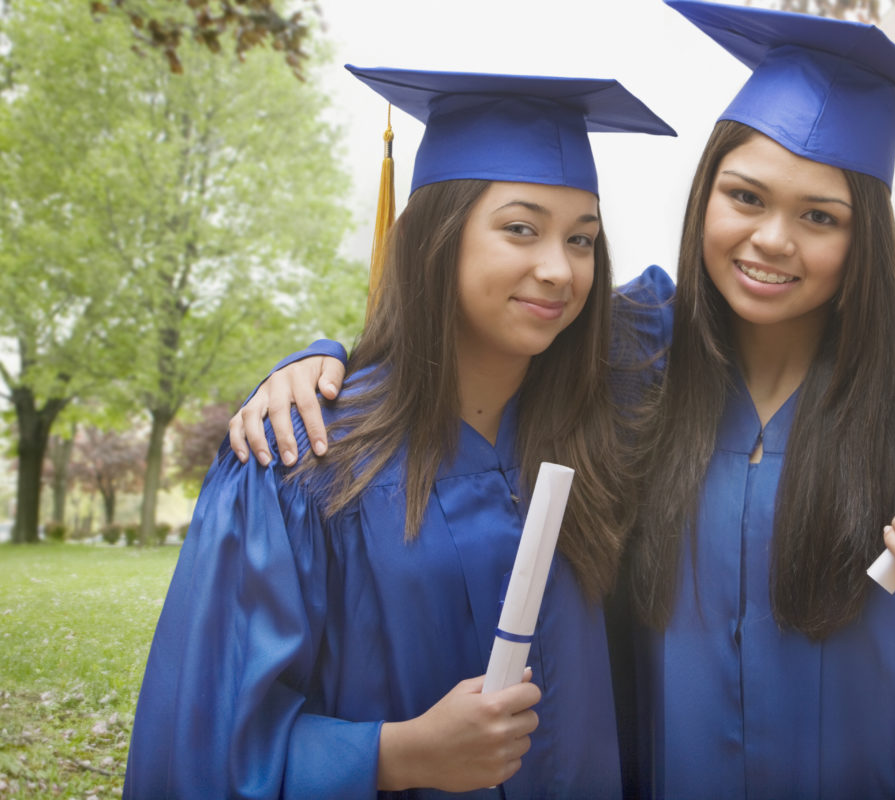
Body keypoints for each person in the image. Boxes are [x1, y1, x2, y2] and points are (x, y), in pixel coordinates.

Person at [230, 3, 895, 797]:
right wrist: (322, 360)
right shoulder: (639, 377)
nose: (772, 241)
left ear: (866, 240)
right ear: (706, 195)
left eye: (822, 217)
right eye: (745, 197)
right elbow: (482, 332)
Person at [123, 67, 675, 799]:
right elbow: (204, 744)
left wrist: (887, 312)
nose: (559, 270)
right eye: (520, 228)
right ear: (431, 237)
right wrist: (397, 755)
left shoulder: (603, 400)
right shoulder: (302, 460)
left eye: (582, 239)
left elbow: (726, 300)